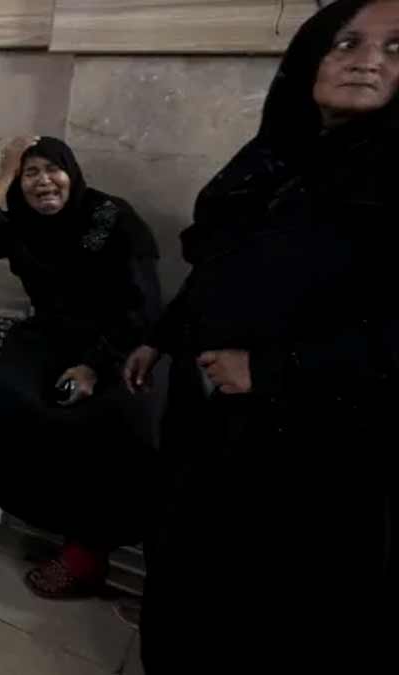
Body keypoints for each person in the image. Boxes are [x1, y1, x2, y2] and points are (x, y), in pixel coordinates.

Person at [122, 0, 398, 670]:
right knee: (185, 552)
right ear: (308, 57)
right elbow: (223, 265)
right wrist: (162, 335)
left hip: (312, 439)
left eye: (395, 48)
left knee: (266, 596)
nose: (367, 61)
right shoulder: (274, 156)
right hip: (210, 412)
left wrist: (273, 369)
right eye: (345, 42)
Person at [0, 136, 162, 598]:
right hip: (48, 336)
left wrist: (93, 366)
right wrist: (5, 173)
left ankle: (86, 554)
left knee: (116, 420)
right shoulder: (21, 223)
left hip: (116, 341)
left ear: (72, 173)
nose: (44, 181)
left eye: (53, 169)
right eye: (31, 173)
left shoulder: (107, 216)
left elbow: (143, 304)